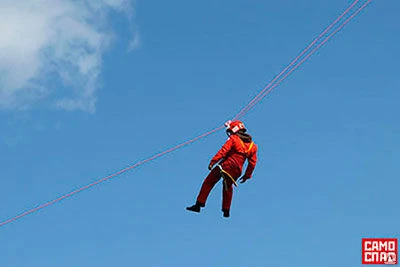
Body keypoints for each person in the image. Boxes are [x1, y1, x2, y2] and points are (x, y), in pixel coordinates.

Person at [186, 120, 258, 218]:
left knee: (209, 182)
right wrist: (247, 175)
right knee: (228, 187)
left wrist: (213, 162)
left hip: (226, 166)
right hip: (236, 172)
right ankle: (226, 210)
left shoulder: (234, 139)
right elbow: (252, 163)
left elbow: (223, 151)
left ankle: (199, 204)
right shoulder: (252, 146)